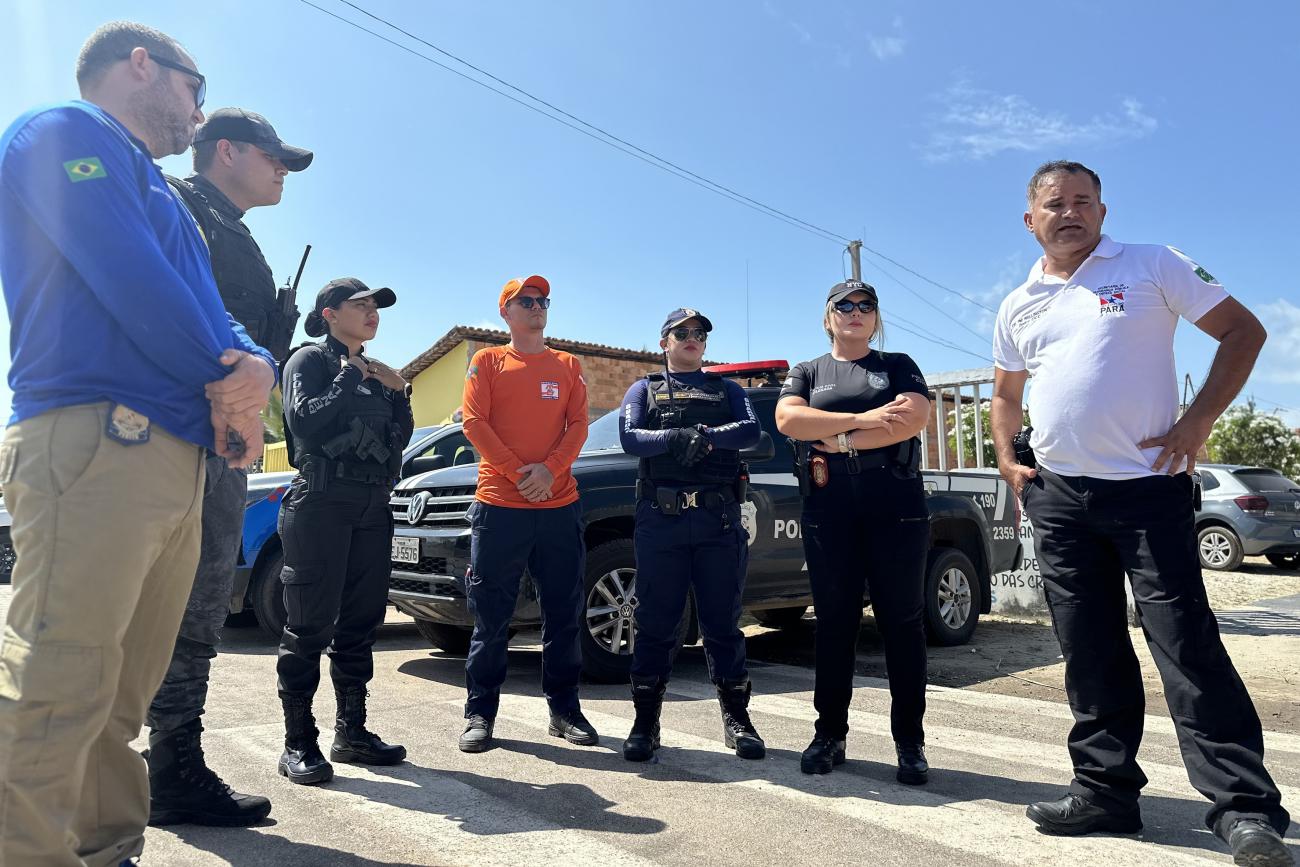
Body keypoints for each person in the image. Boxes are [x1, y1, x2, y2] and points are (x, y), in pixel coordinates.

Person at [0, 21, 276, 866]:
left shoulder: (161, 191)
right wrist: (230, 384)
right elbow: (132, 279)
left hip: (173, 457)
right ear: (142, 65)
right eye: (196, 90)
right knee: (57, 683)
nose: (198, 112)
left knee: (121, 696)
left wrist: (258, 366)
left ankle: (108, 849)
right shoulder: (64, 131)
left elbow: (211, 308)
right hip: (98, 438)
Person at [992, 160, 1291, 865]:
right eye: (1055, 203)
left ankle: (1245, 809)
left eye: (1083, 201)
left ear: (1104, 211)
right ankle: (1105, 792)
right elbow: (1006, 395)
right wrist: (1008, 460)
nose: (1070, 212)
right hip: (1060, 499)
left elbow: (1243, 332)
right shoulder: (1018, 304)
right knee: (1089, 648)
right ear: (1030, 219)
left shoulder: (1154, 264)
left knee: (1186, 644)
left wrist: (1198, 420)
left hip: (1148, 489)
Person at [145, 108, 312, 827]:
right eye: (273, 157)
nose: (282, 171)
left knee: (202, 603)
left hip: (223, 441)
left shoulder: (236, 232)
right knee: (139, 605)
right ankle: (98, 773)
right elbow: (172, 308)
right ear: (226, 151)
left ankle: (172, 762)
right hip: (175, 429)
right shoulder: (176, 205)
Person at [775, 280, 932, 784]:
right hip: (829, 507)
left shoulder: (898, 365)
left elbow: (910, 419)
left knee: (902, 623)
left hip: (896, 505)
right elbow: (788, 419)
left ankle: (910, 742)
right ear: (829, 318)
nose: (855, 312)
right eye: (844, 305)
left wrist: (835, 436)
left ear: (876, 317)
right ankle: (829, 735)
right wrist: (865, 420)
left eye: (866, 305)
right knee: (834, 623)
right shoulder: (808, 371)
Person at [276, 278, 415, 785]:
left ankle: (351, 733)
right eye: (361, 304)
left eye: (376, 306)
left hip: (373, 505)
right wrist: (350, 375)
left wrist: (400, 392)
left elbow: (399, 439)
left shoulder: (380, 374)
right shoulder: (308, 360)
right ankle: (298, 742)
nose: (372, 312)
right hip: (320, 503)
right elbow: (304, 421)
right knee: (309, 626)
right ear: (330, 314)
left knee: (361, 623)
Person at [618, 308, 765, 761]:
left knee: (722, 623)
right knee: (656, 623)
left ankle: (737, 719)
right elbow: (630, 437)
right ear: (664, 342)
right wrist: (673, 438)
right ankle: (645, 722)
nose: (691, 337)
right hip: (660, 522)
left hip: (718, 522)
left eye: (699, 332)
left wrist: (706, 435)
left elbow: (751, 430)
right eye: (681, 332)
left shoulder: (728, 390)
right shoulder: (643, 389)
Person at [458, 275, 596, 753]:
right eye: (527, 301)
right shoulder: (487, 361)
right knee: (491, 616)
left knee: (563, 613)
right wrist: (521, 474)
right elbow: (474, 423)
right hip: (500, 506)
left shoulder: (567, 365)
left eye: (543, 301)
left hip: (559, 506)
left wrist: (550, 471)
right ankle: (480, 713)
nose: (538, 307)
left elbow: (579, 425)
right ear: (506, 312)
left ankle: (565, 710)